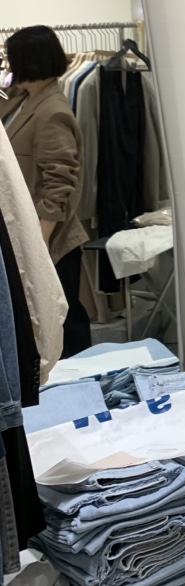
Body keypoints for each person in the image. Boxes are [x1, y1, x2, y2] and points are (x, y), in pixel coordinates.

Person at [0, 26, 91, 358]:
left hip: (48, 237)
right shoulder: (23, 99)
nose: (8, 64)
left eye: (11, 58)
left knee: (62, 317)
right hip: (26, 232)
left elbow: (59, 184)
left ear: (28, 61)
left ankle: (79, 375)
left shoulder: (52, 112)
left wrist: (38, 242)